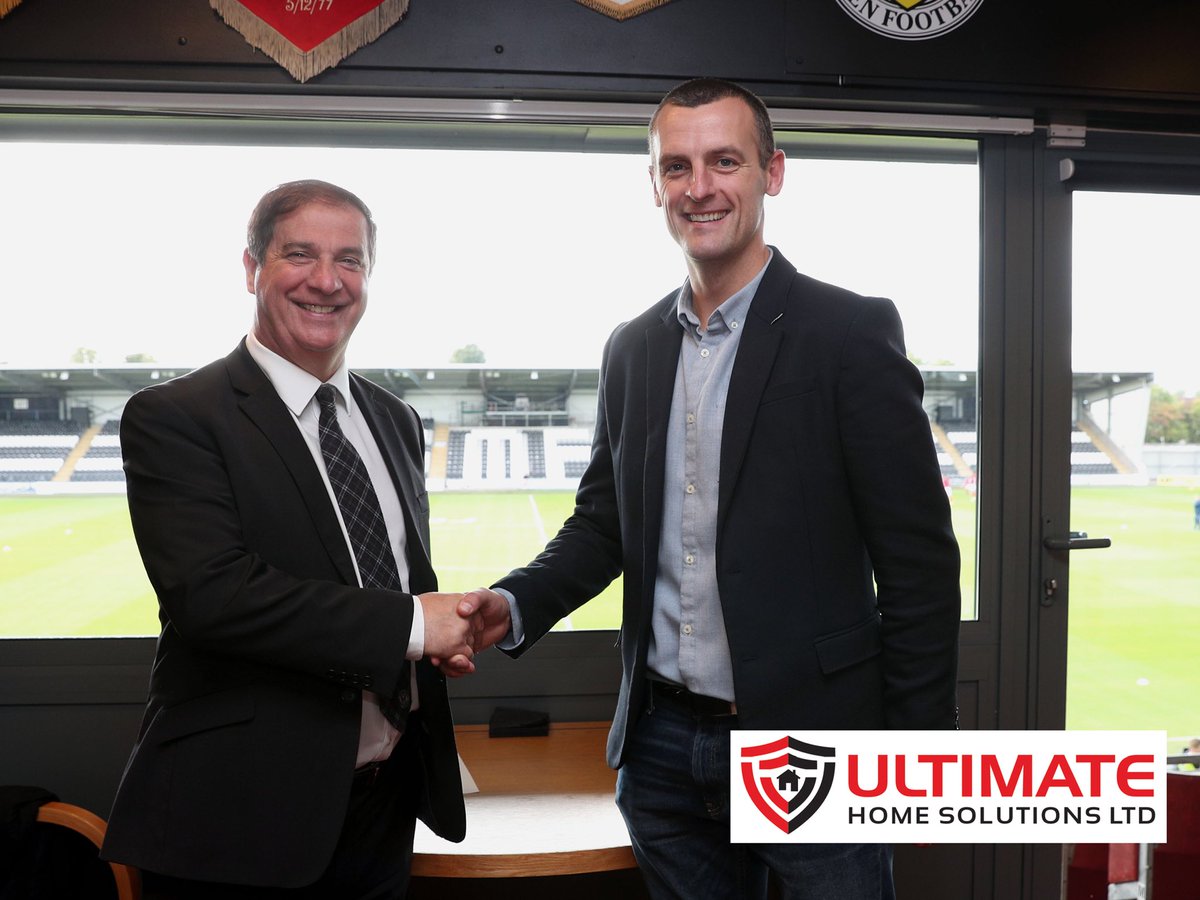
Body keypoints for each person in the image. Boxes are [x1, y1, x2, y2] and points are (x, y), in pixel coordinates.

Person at [453, 79, 962, 899]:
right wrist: (512, 605)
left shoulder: (850, 333)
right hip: (659, 749)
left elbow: (920, 570)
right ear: (654, 185)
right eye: (678, 166)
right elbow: (602, 526)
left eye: (725, 161)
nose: (700, 187)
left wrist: (911, 761)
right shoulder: (630, 348)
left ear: (773, 172)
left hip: (811, 751)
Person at [101, 180, 480, 898]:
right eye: (299, 254)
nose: (327, 281)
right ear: (251, 268)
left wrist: (441, 633)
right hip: (242, 821)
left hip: (382, 807)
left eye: (351, 260)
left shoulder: (395, 420)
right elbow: (213, 597)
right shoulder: (175, 416)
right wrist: (408, 625)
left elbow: (389, 583)